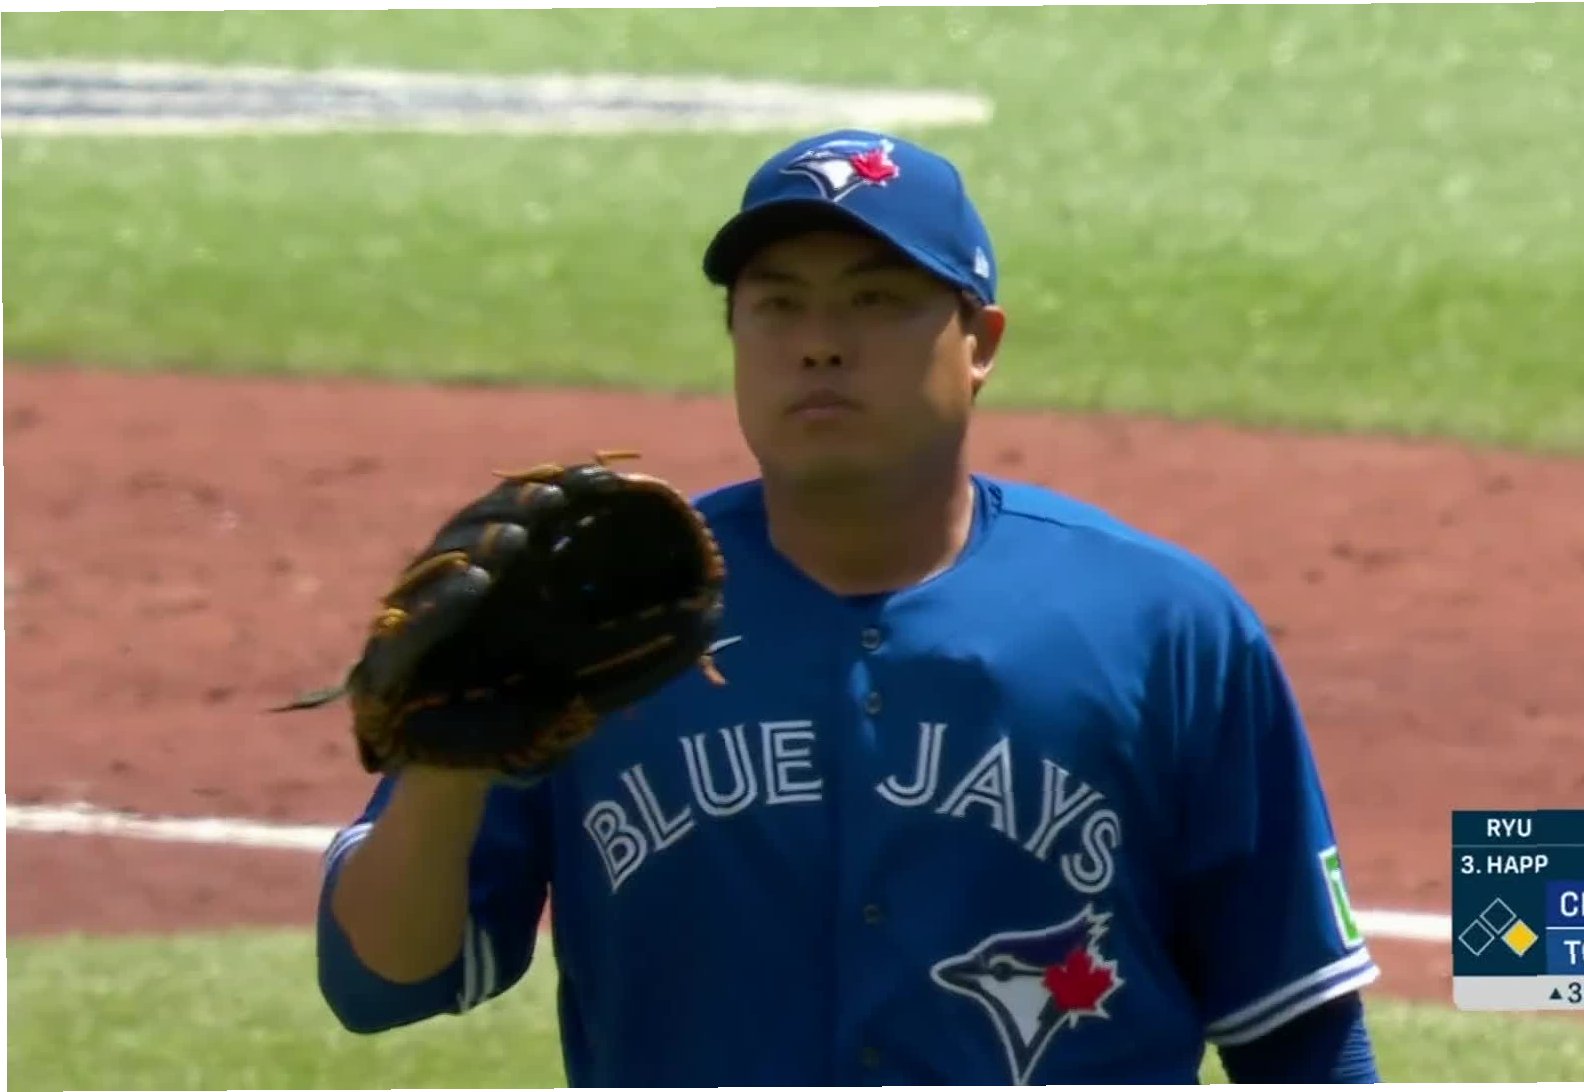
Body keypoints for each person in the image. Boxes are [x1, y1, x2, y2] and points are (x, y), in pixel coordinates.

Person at [313, 128, 1383, 1085]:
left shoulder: (1162, 627)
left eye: (875, 300)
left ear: (980, 342)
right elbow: (379, 984)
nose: (819, 341)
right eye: (778, 303)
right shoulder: (600, 616)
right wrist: (445, 776)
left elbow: (1299, 1030)